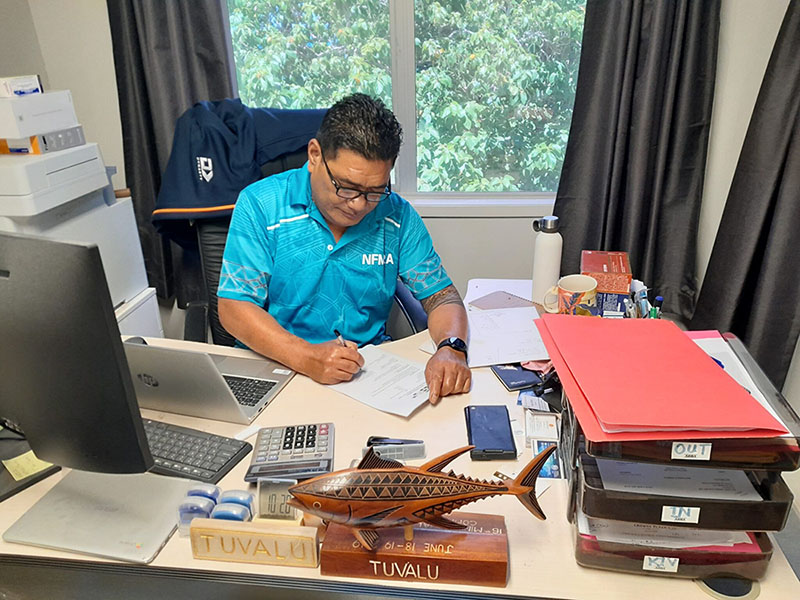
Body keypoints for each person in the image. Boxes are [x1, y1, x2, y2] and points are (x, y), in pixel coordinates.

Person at [217, 93, 470, 404]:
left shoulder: (397, 215)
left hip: (364, 376)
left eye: (375, 191)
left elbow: (442, 295)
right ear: (314, 155)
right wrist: (306, 356)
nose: (359, 204)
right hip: (275, 366)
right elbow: (234, 308)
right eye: (347, 187)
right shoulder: (261, 204)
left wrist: (452, 347)